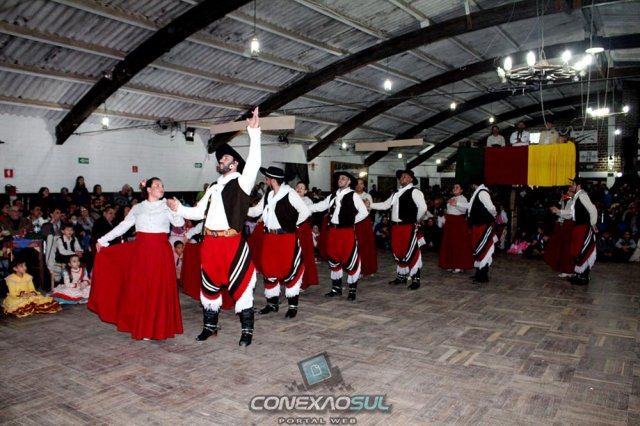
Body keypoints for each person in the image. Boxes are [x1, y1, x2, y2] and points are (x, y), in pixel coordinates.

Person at [167, 107, 261, 346]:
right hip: (210, 243)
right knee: (209, 286)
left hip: (232, 243)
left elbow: (254, 163)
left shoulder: (242, 182)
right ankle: (210, 327)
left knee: (242, 286)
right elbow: (199, 213)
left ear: (235, 164)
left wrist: (254, 133)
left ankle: (247, 332)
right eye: (220, 159)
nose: (221, 160)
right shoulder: (212, 187)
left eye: (226, 158)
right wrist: (179, 209)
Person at [89, 177, 185, 340]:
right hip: (142, 252)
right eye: (157, 185)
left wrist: (175, 209)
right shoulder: (138, 207)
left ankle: (159, 327)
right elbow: (123, 226)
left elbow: (179, 224)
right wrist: (103, 240)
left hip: (160, 252)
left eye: (162, 185)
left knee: (158, 289)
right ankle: (144, 327)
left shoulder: (166, 205)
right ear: (148, 189)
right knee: (144, 289)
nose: (161, 187)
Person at [248, 166, 310, 319]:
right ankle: (272, 304)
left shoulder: (290, 193)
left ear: (273, 180)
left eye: (267, 178)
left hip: (286, 238)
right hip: (270, 238)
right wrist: (240, 209)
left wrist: (292, 225)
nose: (265, 180)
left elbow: (305, 212)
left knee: (288, 269)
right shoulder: (268, 194)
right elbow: (256, 211)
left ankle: (292, 307)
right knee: (269, 269)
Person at [309, 171, 368, 301]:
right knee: (333, 259)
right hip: (333, 232)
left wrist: (350, 221)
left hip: (346, 232)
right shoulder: (333, 195)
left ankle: (352, 291)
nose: (340, 180)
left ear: (349, 182)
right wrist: (304, 208)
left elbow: (364, 212)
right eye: (339, 178)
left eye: (343, 178)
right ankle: (336, 289)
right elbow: (320, 206)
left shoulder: (353, 195)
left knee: (350, 259)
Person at [368, 169, 427, 290]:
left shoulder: (415, 192)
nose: (402, 178)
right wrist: (370, 205)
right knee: (398, 251)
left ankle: (415, 279)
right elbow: (385, 205)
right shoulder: (396, 193)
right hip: (395, 227)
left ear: (411, 179)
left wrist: (415, 219)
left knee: (411, 251)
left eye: (405, 176)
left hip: (408, 226)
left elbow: (423, 207)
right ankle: (402, 276)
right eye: (401, 176)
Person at [551, 177, 597, 286]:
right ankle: (580, 275)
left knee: (584, 252)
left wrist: (593, 224)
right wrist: (559, 211)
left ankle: (583, 277)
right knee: (578, 252)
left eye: (573, 184)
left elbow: (593, 209)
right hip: (579, 227)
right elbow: (572, 213)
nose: (572, 186)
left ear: (578, 185)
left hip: (584, 227)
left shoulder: (582, 195)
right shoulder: (578, 196)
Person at [466, 178, 497, 283]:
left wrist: (493, 216)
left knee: (484, 249)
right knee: (478, 248)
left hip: (483, 225)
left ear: (474, 184)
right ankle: (479, 273)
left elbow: (491, 208)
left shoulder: (482, 193)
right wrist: (457, 204)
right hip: (478, 225)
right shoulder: (478, 193)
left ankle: (483, 276)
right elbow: (470, 207)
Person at [439, 183, 474, 273]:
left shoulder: (463, 199)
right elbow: (448, 210)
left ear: (461, 190)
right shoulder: (451, 198)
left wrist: (455, 204)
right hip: (450, 222)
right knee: (450, 243)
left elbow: (464, 211)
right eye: (454, 187)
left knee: (457, 243)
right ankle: (450, 264)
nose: (454, 189)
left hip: (458, 223)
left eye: (457, 187)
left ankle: (459, 265)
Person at [544, 188, 576, 277]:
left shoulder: (575, 201)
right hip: (563, 224)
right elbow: (562, 213)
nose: (567, 193)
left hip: (570, 225)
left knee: (567, 248)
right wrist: (557, 212)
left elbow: (570, 214)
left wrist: (558, 211)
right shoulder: (565, 200)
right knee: (561, 247)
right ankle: (564, 268)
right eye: (567, 191)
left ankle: (569, 270)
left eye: (570, 191)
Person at [294, 181, 319, 289]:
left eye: (302, 188)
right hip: (291, 229)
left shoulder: (308, 201)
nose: (299, 189)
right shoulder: (291, 198)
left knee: (303, 254)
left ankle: (303, 281)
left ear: (305, 191)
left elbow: (307, 214)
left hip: (303, 229)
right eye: (297, 187)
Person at [354, 178, 378, 277]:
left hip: (364, 222)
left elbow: (368, 208)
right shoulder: (352, 195)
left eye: (361, 184)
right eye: (357, 184)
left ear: (364, 186)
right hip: (353, 222)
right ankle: (357, 268)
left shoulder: (367, 196)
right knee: (355, 246)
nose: (359, 186)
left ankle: (368, 268)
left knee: (366, 245)